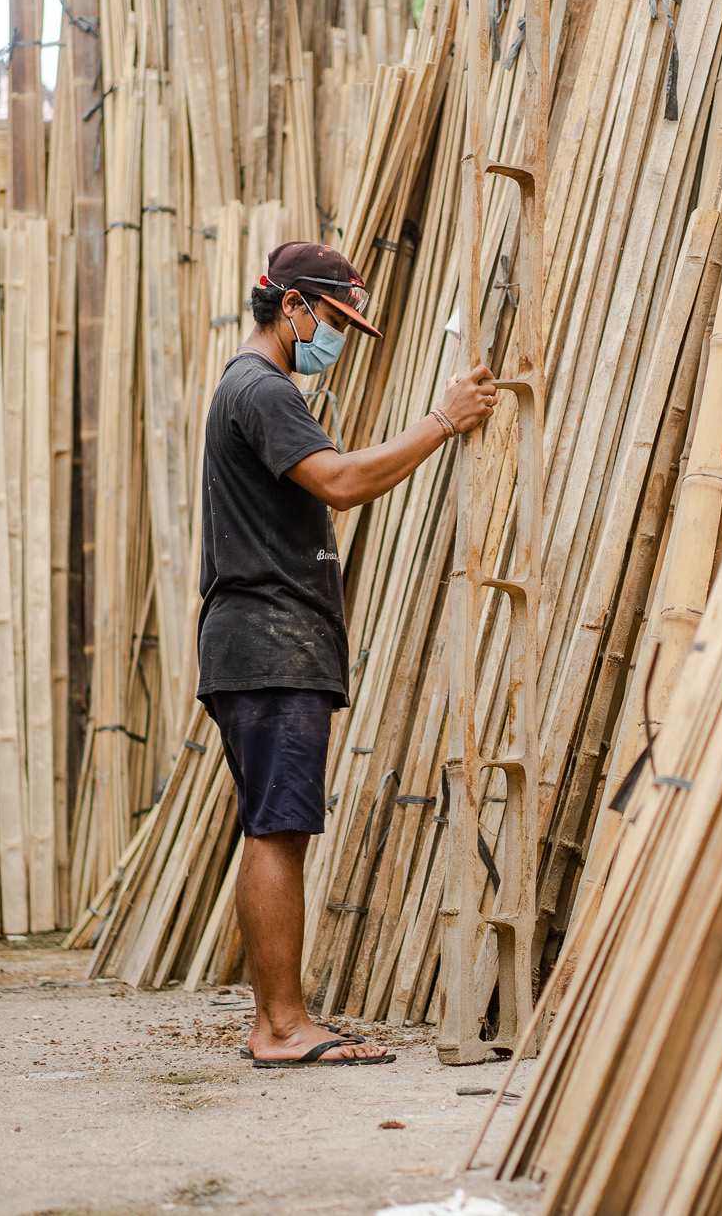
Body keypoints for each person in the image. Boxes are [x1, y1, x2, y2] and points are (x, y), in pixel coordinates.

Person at [197, 241, 497, 1067]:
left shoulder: (253, 388)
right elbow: (341, 481)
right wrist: (442, 421)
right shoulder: (262, 388)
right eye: (331, 319)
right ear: (292, 307)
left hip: (267, 641)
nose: (334, 336)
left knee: (276, 826)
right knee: (278, 827)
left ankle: (281, 1021)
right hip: (269, 640)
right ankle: (282, 1027)